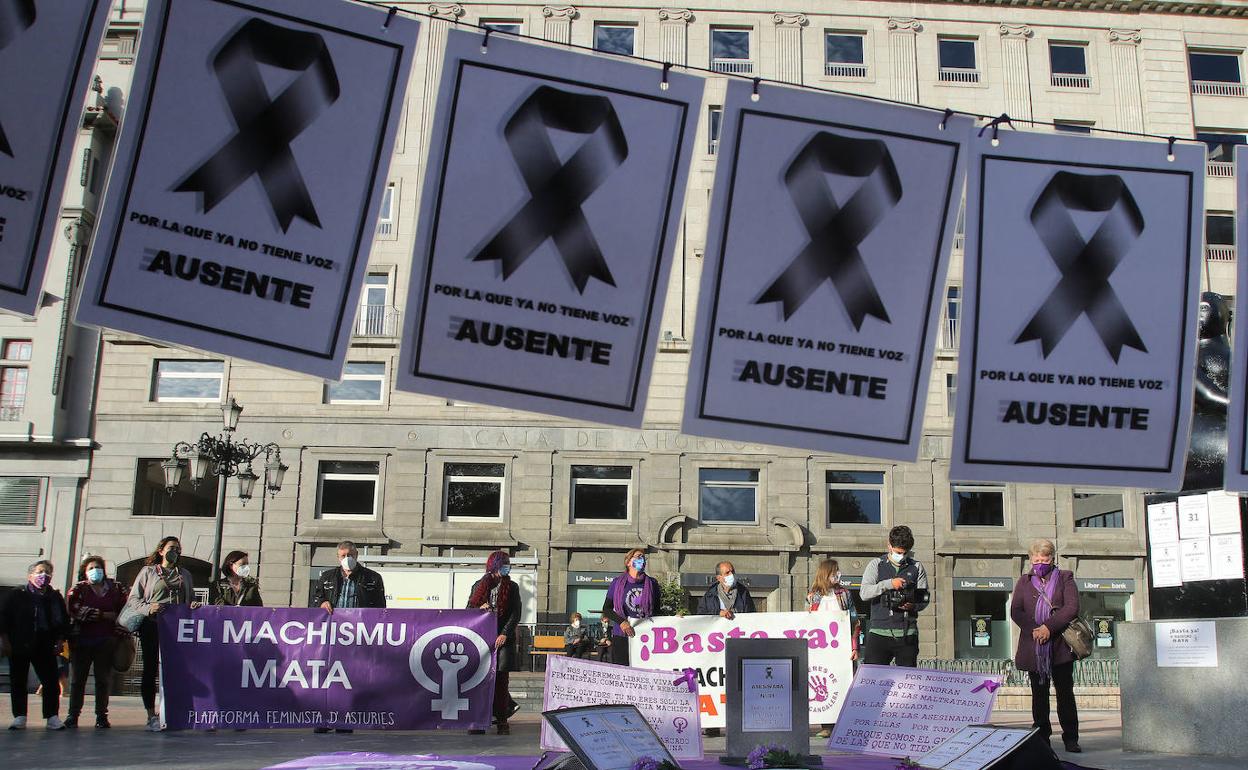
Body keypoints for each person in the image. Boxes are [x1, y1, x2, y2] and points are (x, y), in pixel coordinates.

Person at [1011, 538, 1081, 753]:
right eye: (1036, 559)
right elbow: (1016, 611)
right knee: (1039, 695)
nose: (1040, 563)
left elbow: (1071, 608)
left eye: (1044, 559)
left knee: (1064, 693)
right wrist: (1035, 629)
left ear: (1052, 559)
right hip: (1034, 646)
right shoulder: (1023, 581)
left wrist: (1048, 627)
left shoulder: (1065, 578)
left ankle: (1070, 737)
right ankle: (1042, 737)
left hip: (1059, 645)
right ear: (1031, 559)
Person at [311, 540, 385, 733]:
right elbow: (317, 598)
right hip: (331, 636)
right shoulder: (327, 577)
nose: (347, 559)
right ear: (338, 557)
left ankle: (345, 719)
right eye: (343, 556)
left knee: (350, 678)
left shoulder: (373, 578)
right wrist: (322, 602)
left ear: (357, 555)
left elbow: (380, 608)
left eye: (350, 555)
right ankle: (324, 719)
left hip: (358, 636)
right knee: (327, 677)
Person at [126, 536, 195, 732]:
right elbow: (133, 599)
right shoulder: (148, 572)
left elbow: (190, 598)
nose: (176, 551)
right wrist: (149, 608)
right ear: (161, 550)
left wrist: (193, 605)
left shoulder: (185, 575)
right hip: (152, 625)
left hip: (176, 628)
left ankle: (173, 711)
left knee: (177, 670)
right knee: (150, 669)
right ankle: (151, 714)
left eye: (178, 548)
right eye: (172, 547)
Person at [1, 560, 70, 730]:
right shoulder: (17, 594)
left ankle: (52, 716)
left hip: (45, 641)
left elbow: (63, 620)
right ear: (30, 575)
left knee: (51, 680)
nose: (43, 576)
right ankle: (20, 716)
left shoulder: (54, 597)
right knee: (18, 679)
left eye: (47, 572)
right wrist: (5, 640)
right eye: (40, 572)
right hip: (20, 641)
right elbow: (4, 618)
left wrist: (61, 640)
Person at [65, 556, 127, 728]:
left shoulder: (116, 587)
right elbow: (75, 609)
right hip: (82, 641)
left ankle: (101, 715)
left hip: (106, 641)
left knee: (103, 680)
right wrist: (104, 615)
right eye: (91, 567)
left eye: (98, 567)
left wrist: (99, 615)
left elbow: (124, 609)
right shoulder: (79, 589)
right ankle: (73, 715)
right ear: (85, 571)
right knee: (78, 680)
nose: (95, 570)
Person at [697, 561, 756, 737]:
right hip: (715, 651)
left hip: (738, 645)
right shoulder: (709, 595)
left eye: (732, 571)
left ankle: (738, 721)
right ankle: (713, 724)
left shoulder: (744, 593)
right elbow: (700, 616)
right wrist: (718, 613)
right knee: (716, 683)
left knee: (738, 682)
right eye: (727, 572)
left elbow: (753, 616)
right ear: (719, 577)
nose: (731, 574)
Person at [467, 551, 521, 735]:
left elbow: (515, 613)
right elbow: (468, 609)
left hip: (502, 640)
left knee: (500, 680)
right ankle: (477, 720)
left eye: (508, 563)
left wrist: (505, 633)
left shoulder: (512, 587)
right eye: (504, 563)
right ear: (495, 565)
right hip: (482, 639)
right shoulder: (479, 585)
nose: (507, 566)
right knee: (480, 680)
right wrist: (479, 608)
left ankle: (502, 720)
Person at [859, 525, 929, 667]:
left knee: (907, 679)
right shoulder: (876, 565)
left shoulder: (917, 567)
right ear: (889, 545)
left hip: (907, 633)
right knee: (873, 678)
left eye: (905, 553)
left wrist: (913, 605)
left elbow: (924, 598)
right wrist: (889, 584)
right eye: (898, 552)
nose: (901, 556)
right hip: (879, 632)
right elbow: (864, 593)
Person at [808, 559, 860, 739]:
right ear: (826, 573)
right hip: (821, 649)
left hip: (842, 647)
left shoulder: (844, 594)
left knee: (844, 683)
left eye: (838, 571)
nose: (837, 574)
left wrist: (855, 646)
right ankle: (827, 725)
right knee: (824, 683)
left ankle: (845, 723)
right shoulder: (813, 596)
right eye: (834, 571)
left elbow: (854, 621)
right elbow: (806, 622)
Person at [601, 548, 661, 666]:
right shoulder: (617, 583)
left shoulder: (652, 583)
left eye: (643, 557)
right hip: (622, 634)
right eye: (638, 556)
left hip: (645, 634)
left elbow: (657, 611)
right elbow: (606, 609)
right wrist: (622, 622)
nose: (642, 559)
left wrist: (675, 619)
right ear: (628, 562)